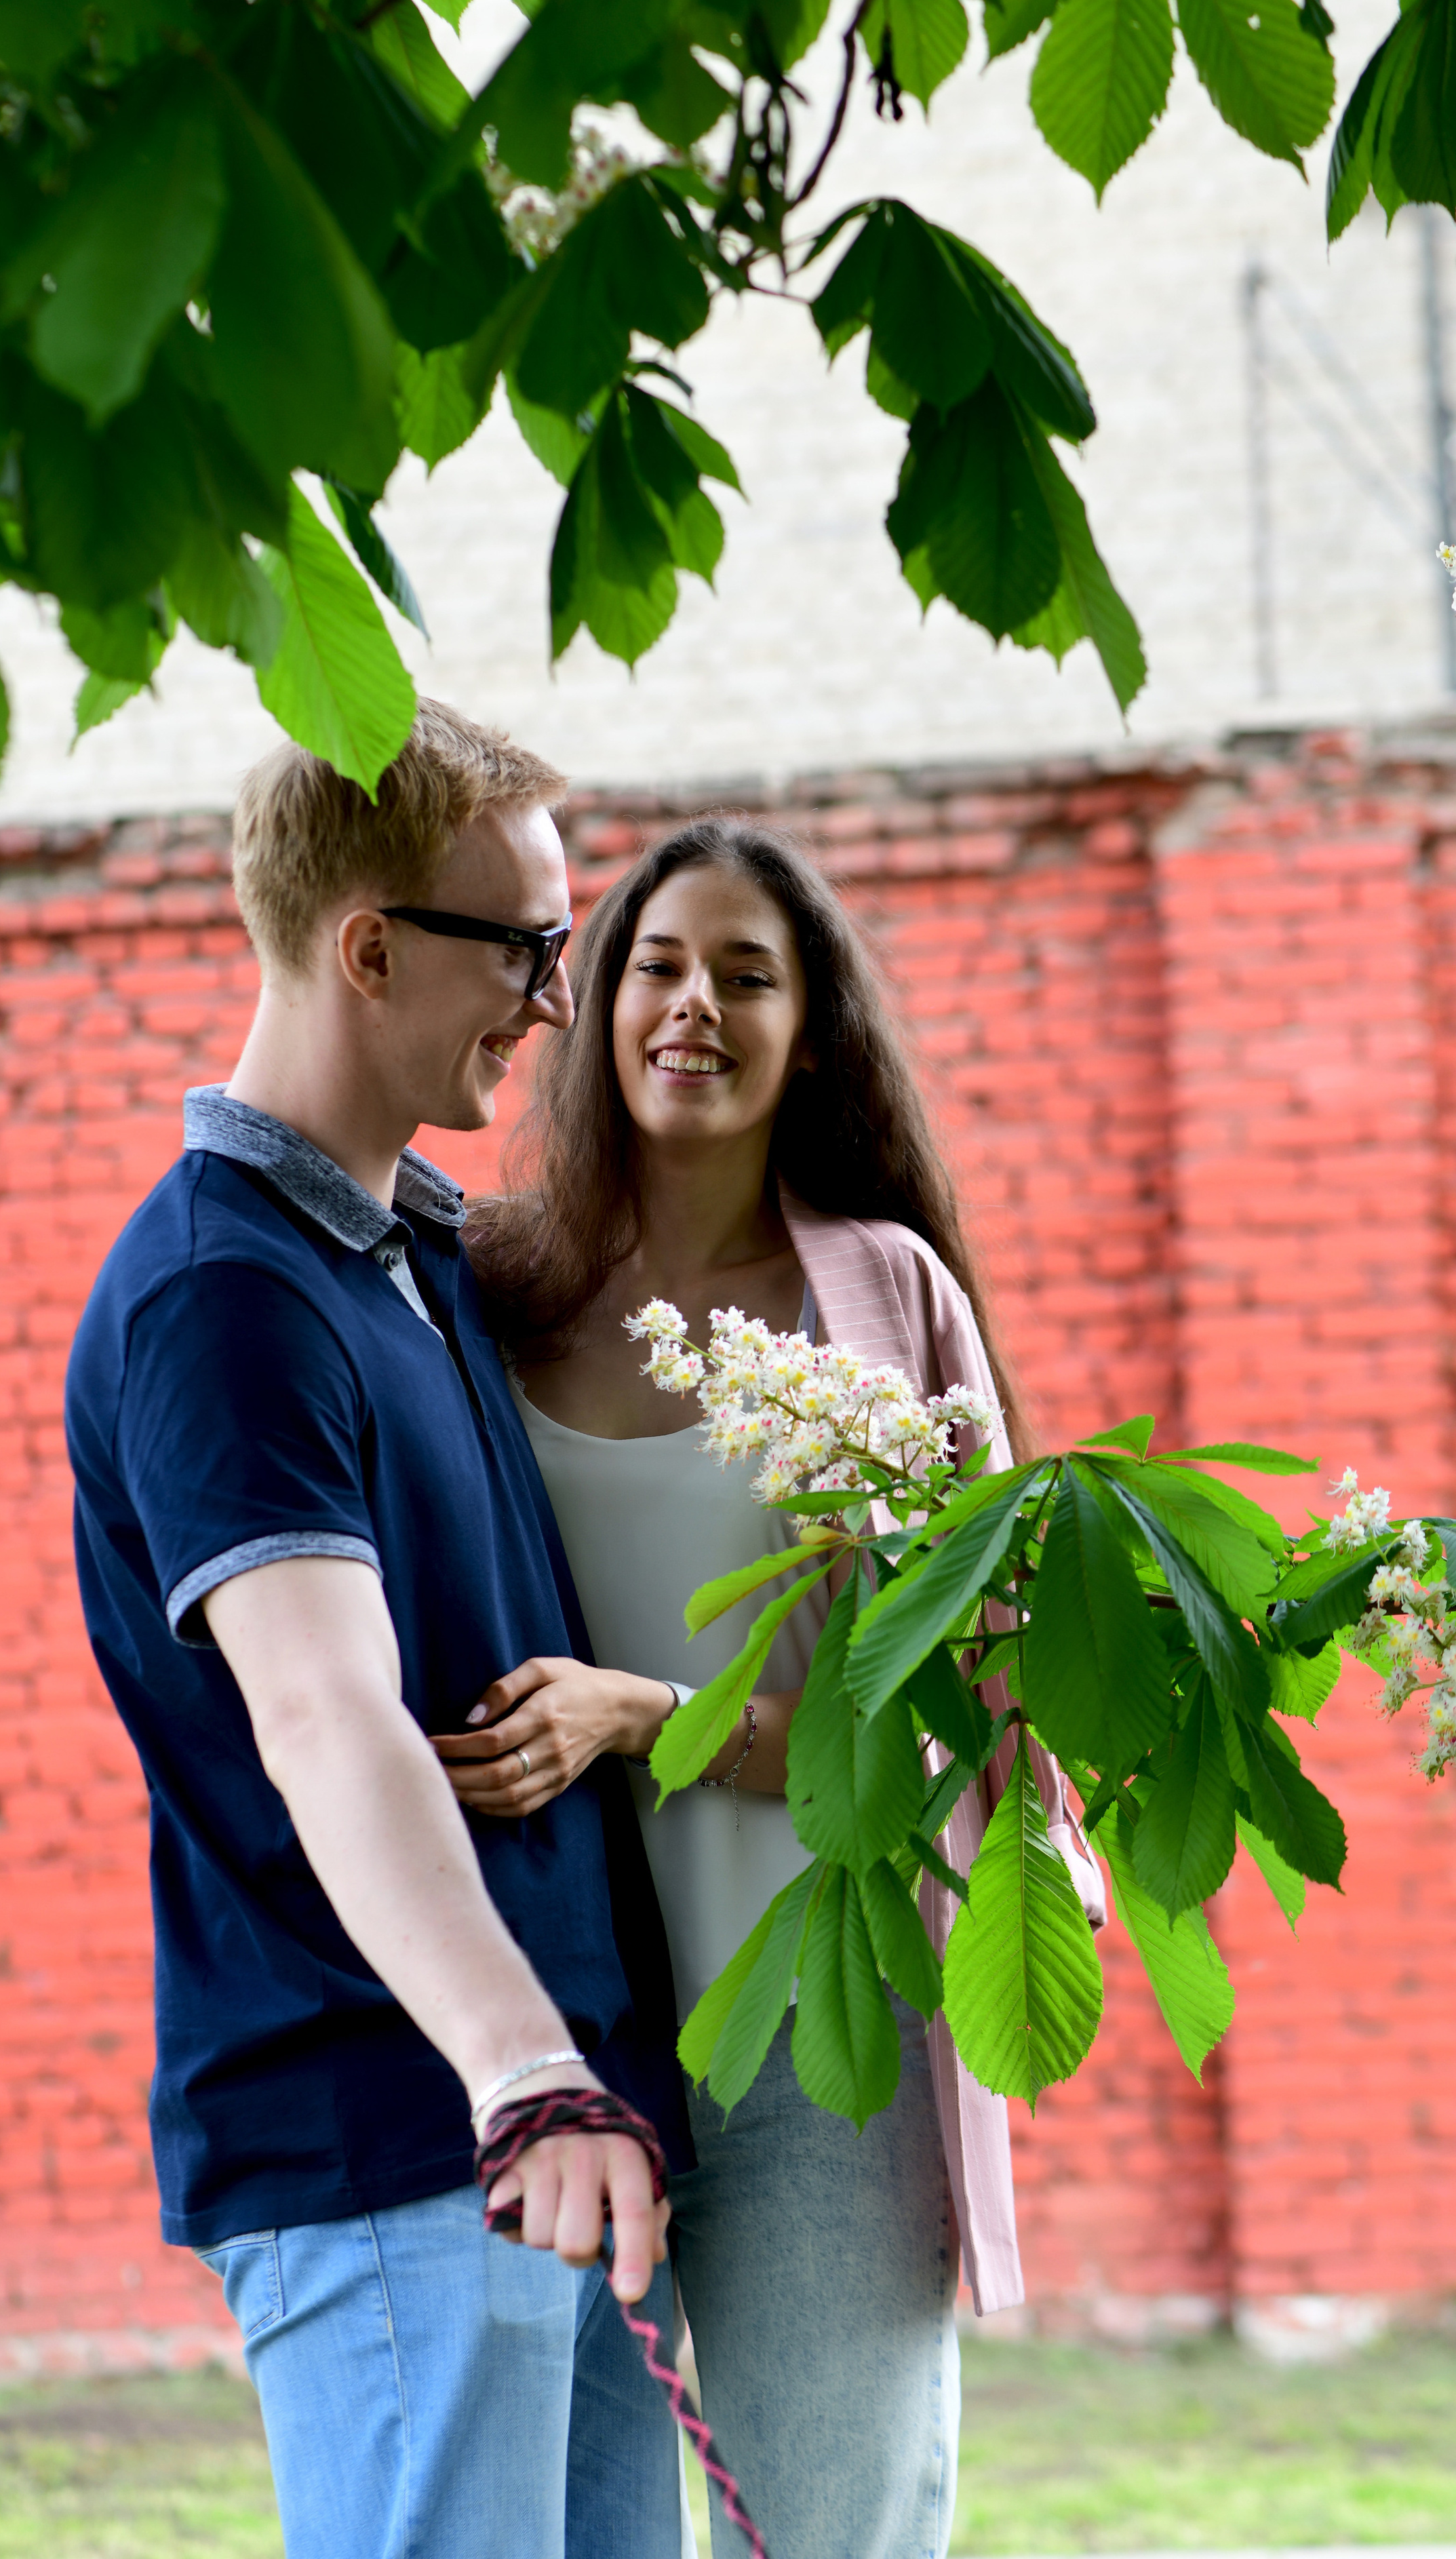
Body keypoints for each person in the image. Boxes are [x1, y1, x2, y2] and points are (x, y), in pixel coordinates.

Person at [63, 702, 701, 2559]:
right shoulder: (219, 1301)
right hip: (410, 2146)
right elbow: (325, 1717)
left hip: (570, 2145)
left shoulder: (415, 1252)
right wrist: (525, 2078)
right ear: (369, 946)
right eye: (530, 951)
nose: (558, 1003)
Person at [450, 819, 1109, 2559]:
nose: (695, 1007)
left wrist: (640, 1715)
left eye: (749, 974)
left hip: (822, 2032)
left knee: (830, 2530)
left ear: (808, 1029)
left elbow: (963, 1724)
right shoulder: (488, 1295)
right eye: (658, 966)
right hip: (560, 2022)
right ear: (588, 1006)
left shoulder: (882, 1300)